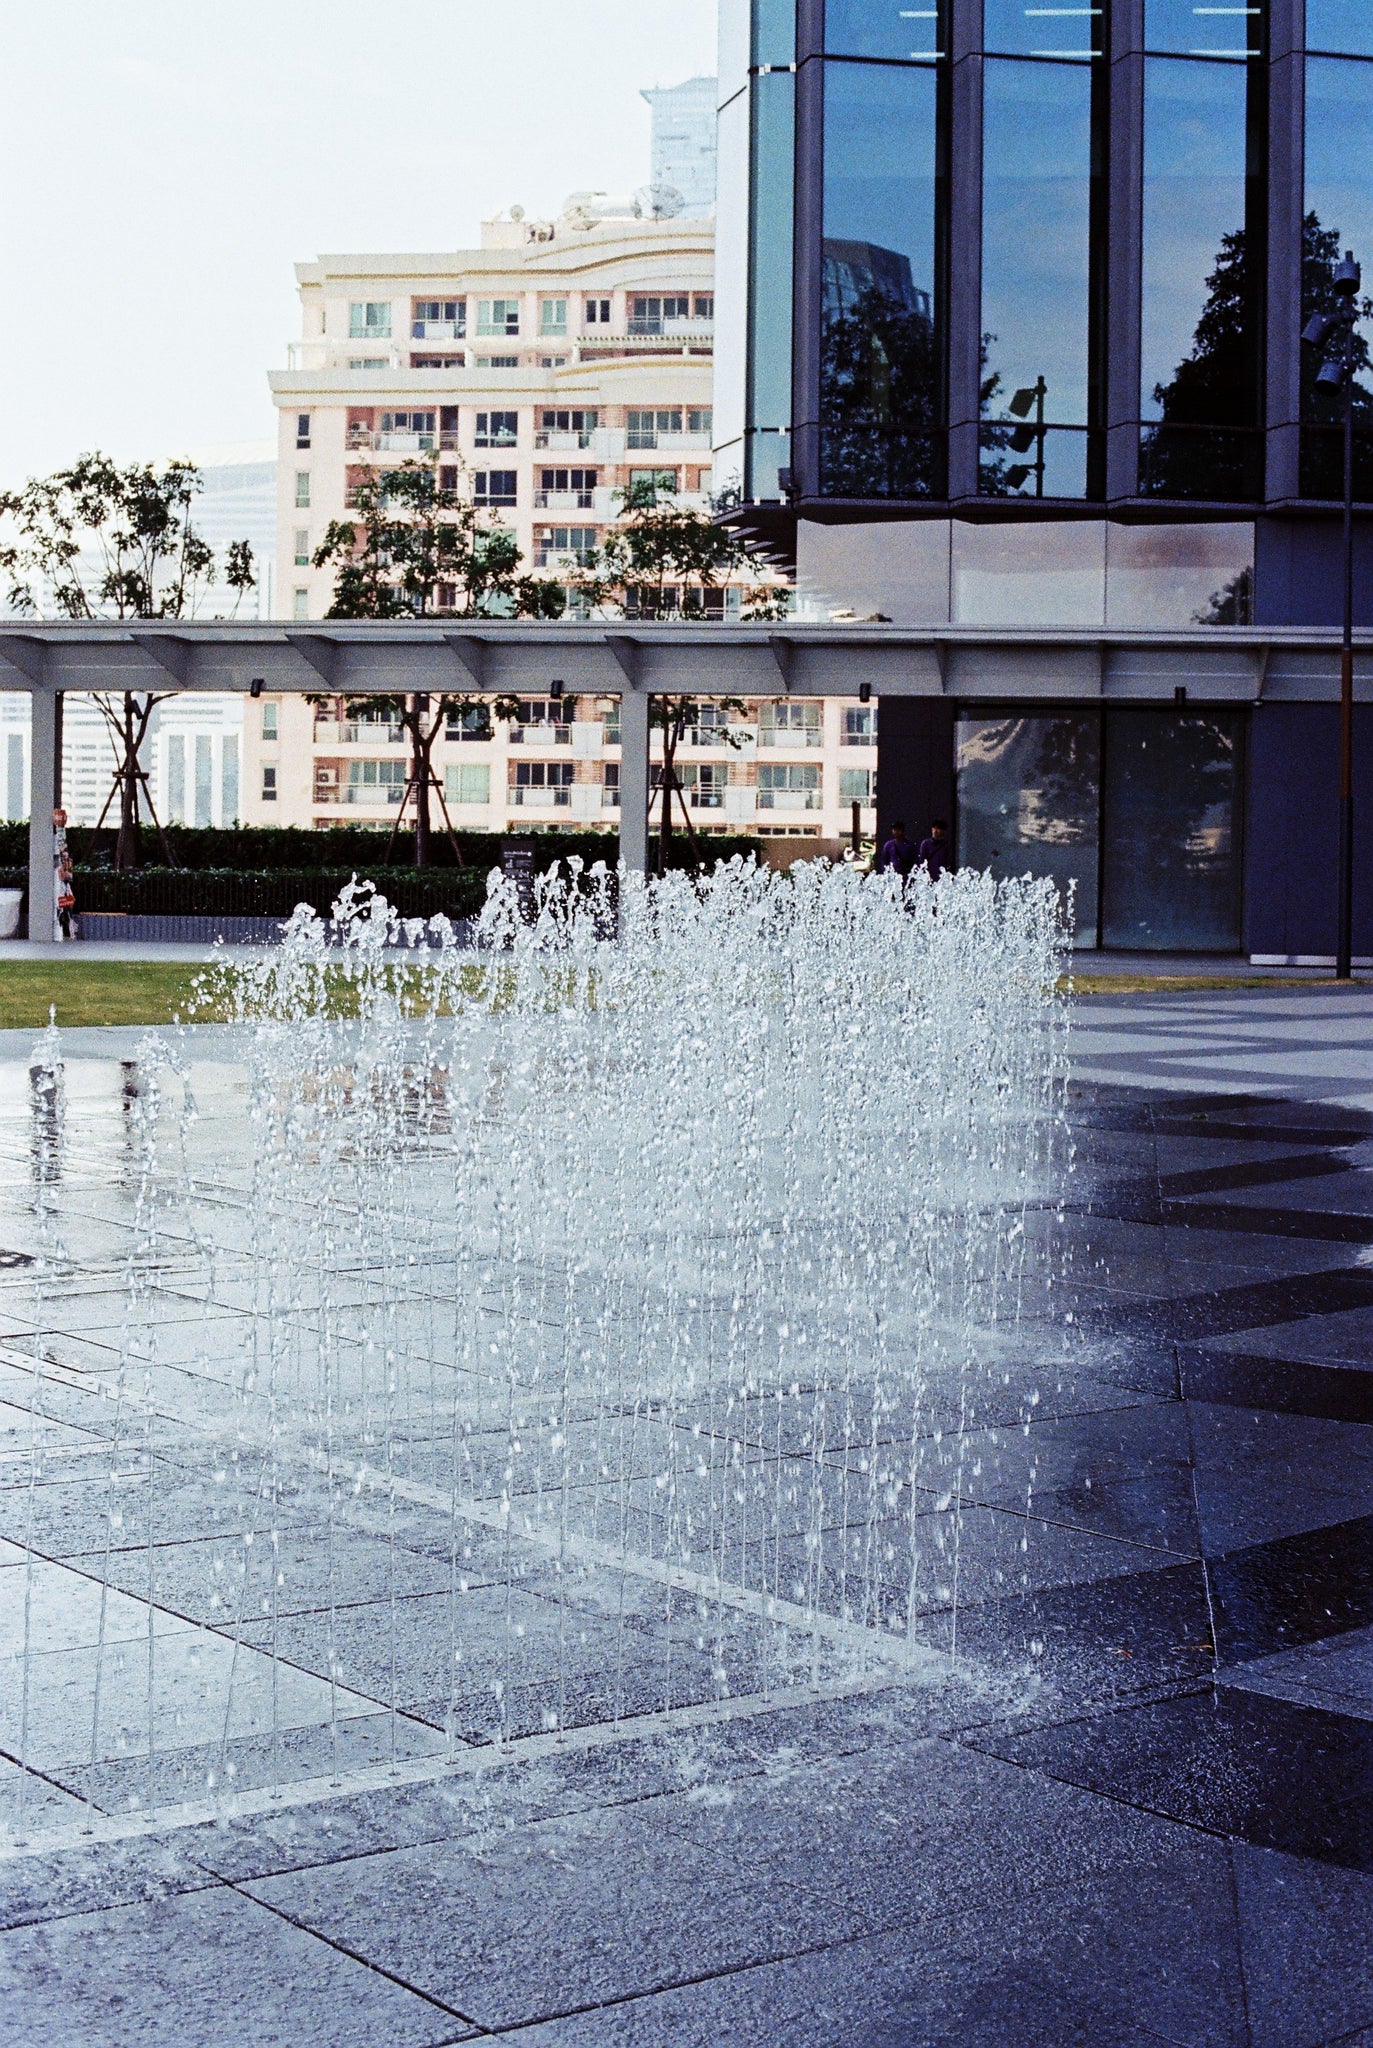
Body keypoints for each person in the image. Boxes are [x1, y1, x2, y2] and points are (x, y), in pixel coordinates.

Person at [52, 808, 76, 941]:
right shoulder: (63, 863)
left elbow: (68, 876)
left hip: (63, 887)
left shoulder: (64, 863)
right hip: (63, 887)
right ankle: (66, 930)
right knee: (63, 907)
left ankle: (65, 929)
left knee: (62, 907)